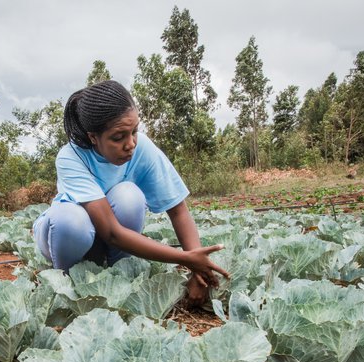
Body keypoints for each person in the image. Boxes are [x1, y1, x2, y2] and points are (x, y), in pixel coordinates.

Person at [32, 80, 228, 304]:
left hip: (109, 243)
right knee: (70, 220)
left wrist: (199, 271)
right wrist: (185, 259)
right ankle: (66, 283)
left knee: (129, 195)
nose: (130, 143)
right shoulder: (71, 157)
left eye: (134, 131)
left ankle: (120, 273)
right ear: (93, 137)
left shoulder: (141, 147)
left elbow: (178, 210)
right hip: (65, 239)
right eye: (118, 137)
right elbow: (112, 232)